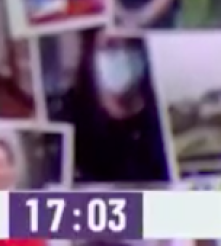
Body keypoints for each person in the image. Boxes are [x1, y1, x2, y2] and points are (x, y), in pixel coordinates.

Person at [52, 30, 169, 183]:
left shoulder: (163, 118)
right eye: (111, 46)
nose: (123, 55)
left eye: (132, 45)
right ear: (91, 53)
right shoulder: (68, 121)